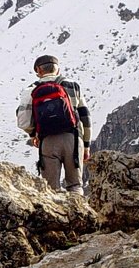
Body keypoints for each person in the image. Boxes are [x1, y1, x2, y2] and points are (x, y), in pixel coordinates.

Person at [16, 54, 92, 195]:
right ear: (58, 69)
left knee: (50, 189)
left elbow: (23, 121)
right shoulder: (72, 86)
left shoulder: (31, 90)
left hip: (47, 141)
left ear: (38, 70)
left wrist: (34, 134)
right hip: (73, 139)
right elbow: (85, 116)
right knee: (75, 185)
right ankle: (78, 214)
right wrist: (86, 145)